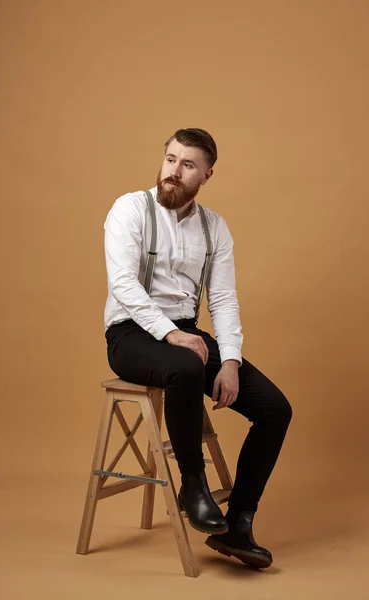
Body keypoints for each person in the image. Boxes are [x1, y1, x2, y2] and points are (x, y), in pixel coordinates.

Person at [103, 128, 292, 569]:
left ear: (206, 174)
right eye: (170, 159)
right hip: (130, 333)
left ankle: (239, 524)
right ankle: (193, 483)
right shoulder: (130, 208)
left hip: (187, 335)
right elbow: (124, 285)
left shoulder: (215, 227)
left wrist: (229, 360)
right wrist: (171, 334)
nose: (173, 171)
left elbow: (223, 299)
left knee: (275, 409)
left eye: (187, 164)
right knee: (186, 366)